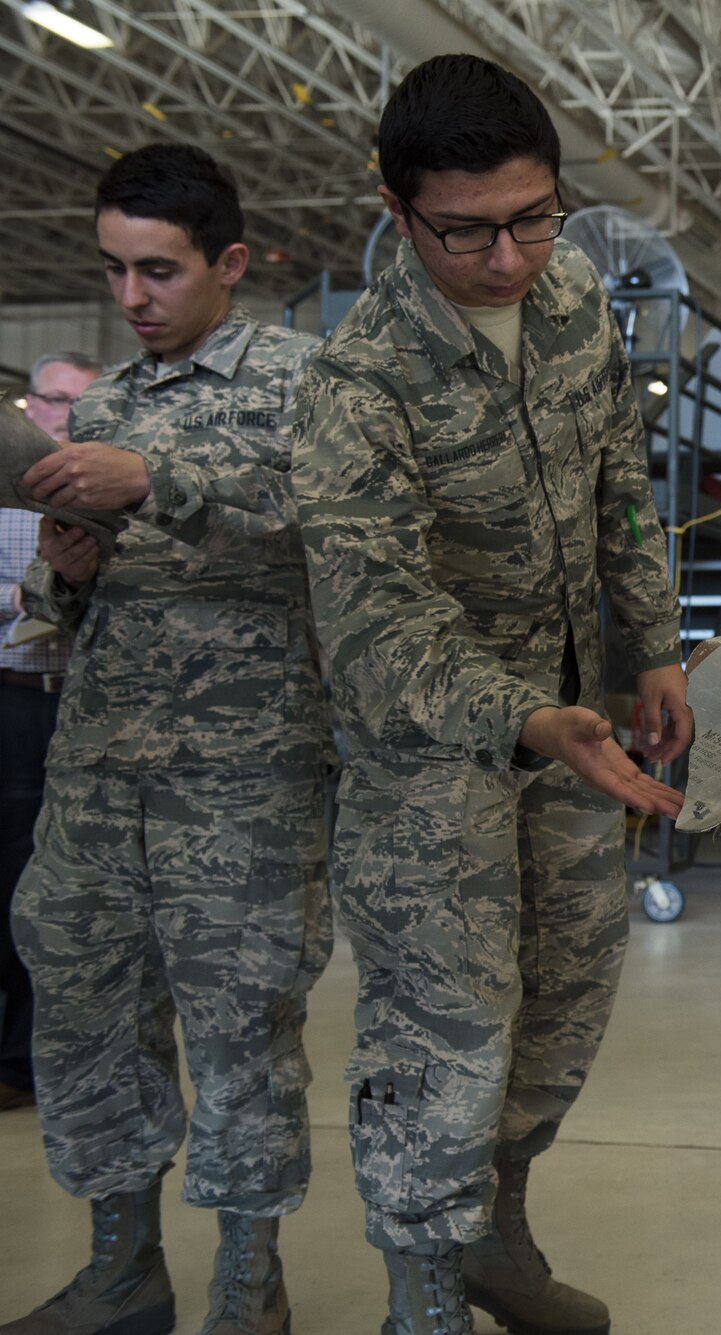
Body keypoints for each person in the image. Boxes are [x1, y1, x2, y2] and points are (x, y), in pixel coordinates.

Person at [289, 54, 689, 1335]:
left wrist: (654, 645)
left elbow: (621, 475)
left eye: (533, 218)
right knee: (441, 1039)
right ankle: (423, 1300)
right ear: (398, 211)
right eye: (466, 232)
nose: (509, 259)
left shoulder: (573, 300)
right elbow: (376, 622)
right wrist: (523, 713)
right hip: (430, 760)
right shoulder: (355, 386)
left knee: (563, 1007)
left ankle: (497, 1241)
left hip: (574, 734)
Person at [4, 146, 333, 1335]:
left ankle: (249, 1287)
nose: (133, 297)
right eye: (114, 270)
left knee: (243, 1028)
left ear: (228, 265)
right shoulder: (98, 405)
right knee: (85, 1004)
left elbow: (334, 527)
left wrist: (158, 480)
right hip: (99, 771)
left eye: (159, 270)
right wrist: (69, 571)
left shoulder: (312, 383)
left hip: (243, 780)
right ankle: (123, 1264)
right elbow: (64, 617)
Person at [2, 351, 103, 1115]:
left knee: (64, 886)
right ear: (29, 404)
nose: (66, 415)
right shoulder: (7, 500)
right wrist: (27, 589)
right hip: (11, 700)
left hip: (80, 705)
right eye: (57, 399)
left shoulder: (103, 497)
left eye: (81, 404)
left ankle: (26, 1063)